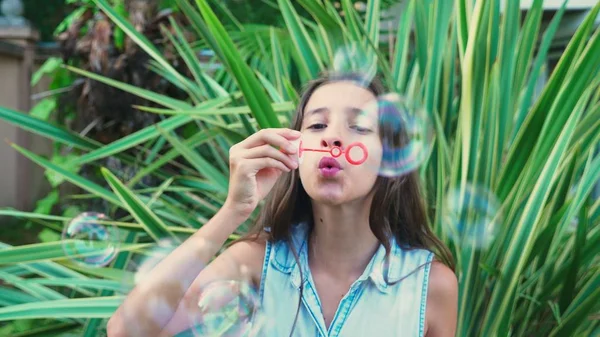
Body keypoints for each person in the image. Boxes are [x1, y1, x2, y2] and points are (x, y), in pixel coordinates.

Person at [107, 72, 458, 337]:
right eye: (317, 124)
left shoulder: (430, 284)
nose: (333, 137)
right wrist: (233, 211)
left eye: (359, 126)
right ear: (296, 152)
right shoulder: (258, 265)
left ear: (389, 158)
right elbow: (126, 330)